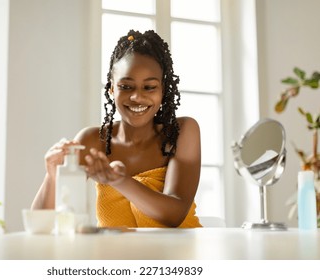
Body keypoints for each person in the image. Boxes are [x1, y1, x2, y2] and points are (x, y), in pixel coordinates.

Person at [32, 30, 202, 228]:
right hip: (115, 258)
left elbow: (174, 215)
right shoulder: (93, 141)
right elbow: (39, 228)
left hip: (178, 256)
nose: (137, 97)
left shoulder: (182, 131)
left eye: (149, 87)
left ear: (163, 89)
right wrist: (52, 176)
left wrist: (119, 181)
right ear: (112, 88)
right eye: (126, 87)